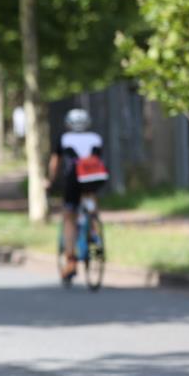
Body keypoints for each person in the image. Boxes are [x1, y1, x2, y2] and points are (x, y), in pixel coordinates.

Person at [48, 108, 108, 280]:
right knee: (91, 205)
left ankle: (70, 260)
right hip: (93, 180)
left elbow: (55, 163)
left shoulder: (64, 138)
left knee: (69, 217)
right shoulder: (96, 138)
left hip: (73, 182)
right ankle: (95, 233)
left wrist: (50, 181)